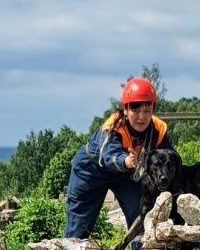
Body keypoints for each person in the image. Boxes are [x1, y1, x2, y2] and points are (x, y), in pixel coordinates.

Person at [64, 77, 173, 239]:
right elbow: (108, 155)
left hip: (126, 174)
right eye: (135, 110)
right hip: (90, 171)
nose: (141, 117)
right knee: (79, 226)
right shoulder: (113, 127)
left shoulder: (158, 130)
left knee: (141, 211)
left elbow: (169, 158)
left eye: (147, 110)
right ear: (125, 110)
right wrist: (125, 161)